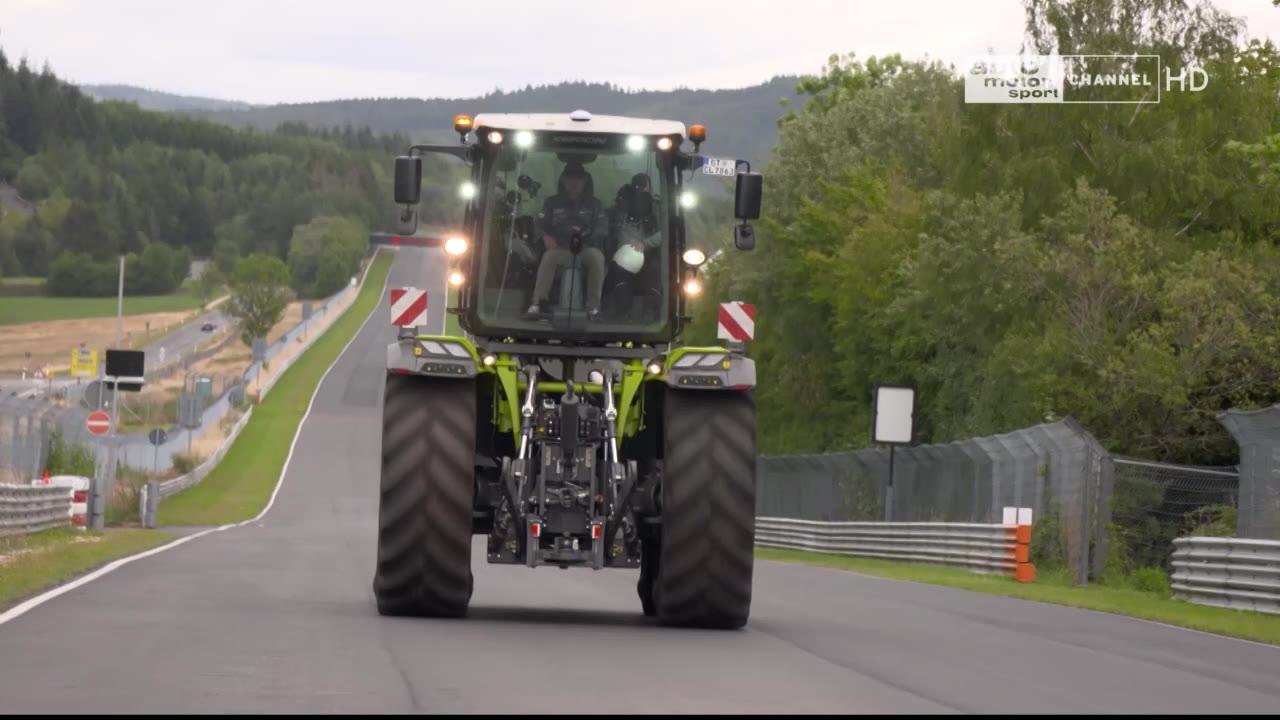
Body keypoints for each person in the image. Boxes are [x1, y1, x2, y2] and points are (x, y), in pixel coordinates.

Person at [524, 161, 609, 320]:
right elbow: (538, 225)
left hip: (585, 249)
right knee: (548, 257)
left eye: (578, 179)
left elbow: (603, 228)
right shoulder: (552, 203)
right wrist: (545, 236)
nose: (574, 182)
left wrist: (587, 234)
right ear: (563, 180)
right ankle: (537, 304)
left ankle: (593, 308)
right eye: (570, 178)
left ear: (585, 181)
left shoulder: (595, 204)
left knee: (598, 257)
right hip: (560, 249)